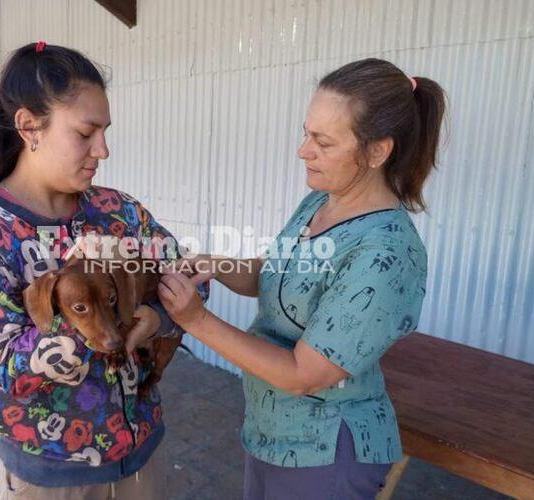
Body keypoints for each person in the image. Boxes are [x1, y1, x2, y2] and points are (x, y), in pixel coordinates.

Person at [157, 58, 445, 499]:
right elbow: (279, 272)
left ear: (377, 152)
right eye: (307, 133)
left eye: (323, 142)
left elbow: (303, 375)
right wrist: (219, 264)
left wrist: (196, 321)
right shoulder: (321, 201)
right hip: (273, 431)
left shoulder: (385, 252)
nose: (303, 151)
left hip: (326, 450)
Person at [0, 42, 207, 500]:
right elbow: (9, 372)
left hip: (142, 456)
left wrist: (156, 318)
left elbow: (189, 277)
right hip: (51, 476)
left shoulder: (118, 211)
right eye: (85, 133)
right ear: (29, 127)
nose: (103, 149)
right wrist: (97, 304)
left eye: (104, 132)